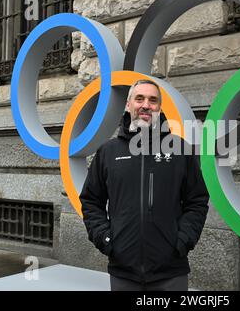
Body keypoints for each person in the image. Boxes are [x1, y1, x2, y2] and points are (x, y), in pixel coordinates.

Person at [79, 79, 209, 291]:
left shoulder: (180, 149)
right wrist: (105, 238)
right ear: (128, 105)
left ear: (159, 107)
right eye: (139, 98)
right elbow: (91, 200)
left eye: (153, 100)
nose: (146, 105)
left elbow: (197, 200)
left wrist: (183, 240)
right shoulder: (108, 152)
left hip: (171, 272)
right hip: (123, 273)